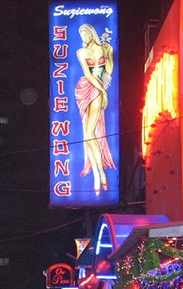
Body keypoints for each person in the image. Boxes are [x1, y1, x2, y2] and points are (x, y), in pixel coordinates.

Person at [74, 23, 116, 196]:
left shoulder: (106, 48)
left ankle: (99, 174)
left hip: (98, 88)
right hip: (86, 87)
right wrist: (103, 91)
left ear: (91, 33)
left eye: (85, 33)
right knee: (88, 133)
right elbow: (89, 74)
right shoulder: (81, 52)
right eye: (81, 34)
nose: (83, 37)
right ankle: (98, 174)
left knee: (91, 133)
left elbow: (109, 70)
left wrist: (109, 54)